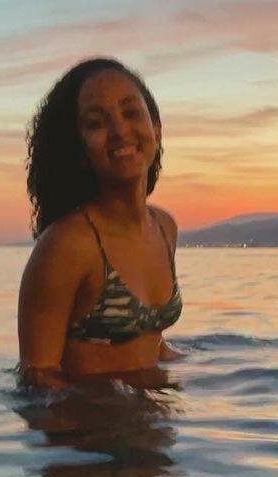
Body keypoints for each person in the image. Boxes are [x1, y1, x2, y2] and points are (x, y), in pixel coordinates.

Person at [18, 58, 185, 388]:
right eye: (96, 123)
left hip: (156, 415)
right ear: (78, 148)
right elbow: (37, 377)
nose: (120, 131)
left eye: (131, 113)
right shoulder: (68, 245)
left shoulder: (164, 228)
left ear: (156, 128)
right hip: (92, 419)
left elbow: (151, 342)